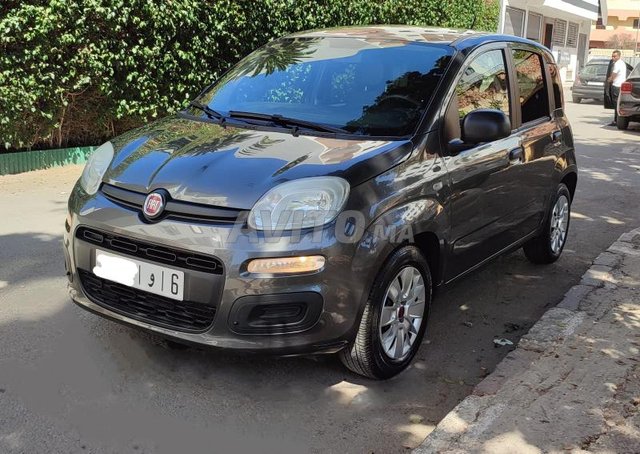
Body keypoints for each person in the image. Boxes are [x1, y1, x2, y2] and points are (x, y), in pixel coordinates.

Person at [605, 50, 627, 126]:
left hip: (617, 86)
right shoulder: (622, 63)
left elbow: (614, 74)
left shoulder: (617, 64)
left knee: (616, 104)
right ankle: (617, 120)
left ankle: (616, 120)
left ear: (619, 56)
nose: (613, 58)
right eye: (612, 56)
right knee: (618, 103)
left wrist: (609, 80)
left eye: (615, 56)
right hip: (621, 85)